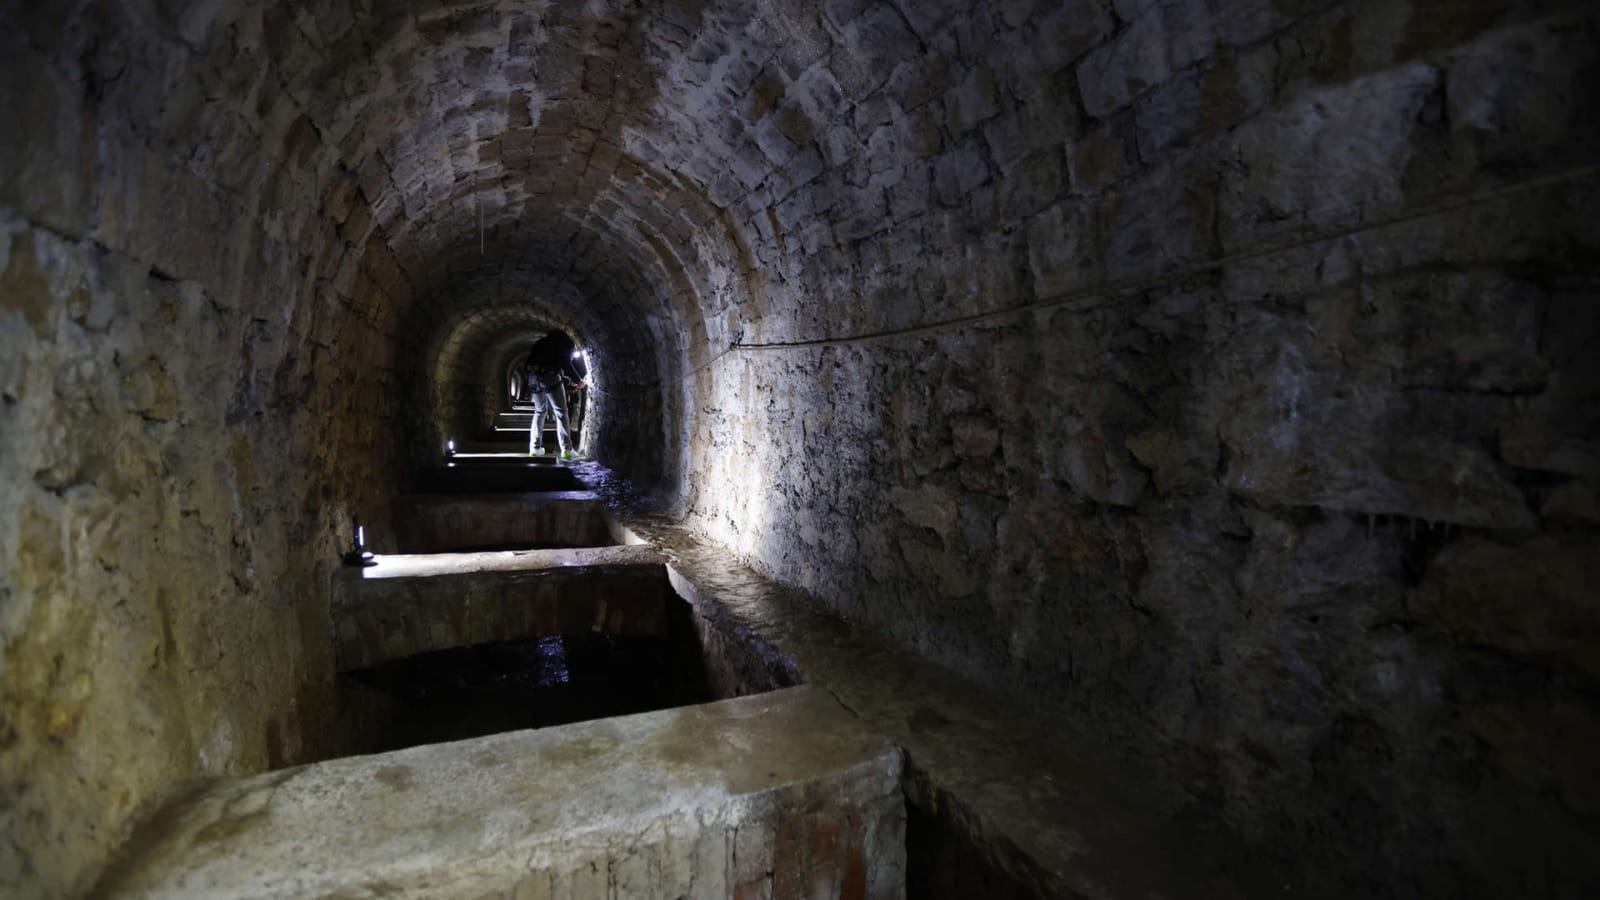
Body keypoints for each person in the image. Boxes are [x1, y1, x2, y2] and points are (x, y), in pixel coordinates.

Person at [522, 330, 584, 459]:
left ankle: (535, 448)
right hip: (550, 376)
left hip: (533, 377)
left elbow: (528, 363)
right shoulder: (562, 343)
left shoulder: (540, 343)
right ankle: (567, 449)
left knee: (539, 412)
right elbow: (565, 363)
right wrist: (578, 380)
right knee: (561, 412)